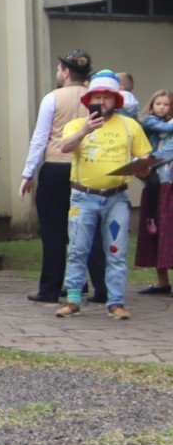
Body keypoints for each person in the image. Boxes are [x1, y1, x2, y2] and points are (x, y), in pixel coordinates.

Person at [54, 71, 153, 320]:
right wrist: (85, 130)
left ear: (116, 100)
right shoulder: (77, 124)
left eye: (107, 97)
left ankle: (116, 301)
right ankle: (74, 299)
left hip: (117, 197)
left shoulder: (130, 126)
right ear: (88, 101)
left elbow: (145, 160)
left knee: (116, 251)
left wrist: (143, 167)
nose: (102, 101)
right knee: (77, 249)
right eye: (96, 97)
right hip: (82, 196)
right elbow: (64, 147)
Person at [20, 50, 101, 305]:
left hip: (56, 167)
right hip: (87, 169)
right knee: (89, 229)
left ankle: (51, 287)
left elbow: (40, 138)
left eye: (58, 68)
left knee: (54, 230)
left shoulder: (52, 98)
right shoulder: (95, 98)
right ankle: (100, 286)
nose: (57, 72)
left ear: (66, 72)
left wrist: (28, 172)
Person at [133, 90, 173, 295]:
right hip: (154, 185)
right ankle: (162, 281)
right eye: (159, 103)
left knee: (170, 232)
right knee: (155, 231)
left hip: (169, 185)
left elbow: (168, 152)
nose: (162, 108)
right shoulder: (148, 125)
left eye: (167, 104)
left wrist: (149, 159)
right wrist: (141, 163)